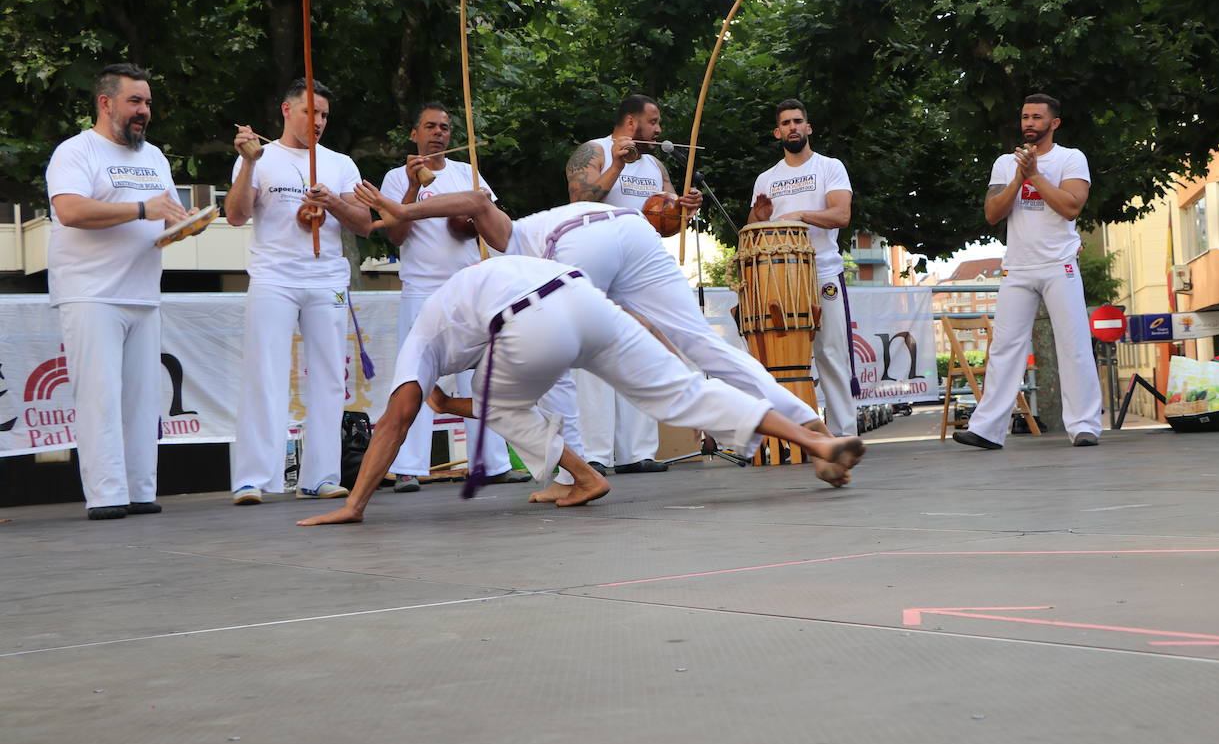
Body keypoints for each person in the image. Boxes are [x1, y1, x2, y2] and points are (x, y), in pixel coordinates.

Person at [351, 187, 859, 489]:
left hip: (582, 249)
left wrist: (399, 210)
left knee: (555, 351)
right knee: (702, 343)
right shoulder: (528, 225)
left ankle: (569, 476)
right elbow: (473, 202)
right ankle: (812, 429)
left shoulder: (515, 242)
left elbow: (472, 200)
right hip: (630, 229)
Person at [297, 256, 864, 526]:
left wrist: (354, 504)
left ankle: (586, 476)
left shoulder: (418, 341)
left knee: (506, 404)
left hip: (530, 321)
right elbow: (483, 399)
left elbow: (397, 419)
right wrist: (453, 404)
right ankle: (818, 444)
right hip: (582, 298)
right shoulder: (464, 296)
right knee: (685, 393)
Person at [45, 63, 190, 520]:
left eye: (147, 102)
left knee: (144, 401)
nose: (144, 111)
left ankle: (141, 491)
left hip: (144, 293)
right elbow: (68, 209)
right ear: (106, 103)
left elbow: (169, 217)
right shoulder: (76, 151)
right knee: (100, 398)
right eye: (135, 102)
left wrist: (185, 226)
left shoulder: (155, 156)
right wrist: (141, 207)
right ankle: (107, 496)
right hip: (91, 293)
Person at [225, 78, 374, 504]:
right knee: (264, 372)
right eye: (311, 112)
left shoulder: (340, 163)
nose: (320, 121)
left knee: (329, 377)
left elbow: (363, 223)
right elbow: (235, 216)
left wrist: (334, 202)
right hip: (274, 277)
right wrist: (249, 164)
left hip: (327, 279)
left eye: (325, 114)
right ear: (287, 111)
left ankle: (321, 474)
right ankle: (253, 478)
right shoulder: (258, 156)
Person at [378, 101, 530, 491]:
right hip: (422, 290)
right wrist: (413, 187)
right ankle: (409, 468)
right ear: (415, 134)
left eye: (444, 127)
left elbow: (494, 223)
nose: (438, 133)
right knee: (416, 376)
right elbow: (395, 235)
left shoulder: (468, 173)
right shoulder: (396, 178)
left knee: (480, 378)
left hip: (468, 290)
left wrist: (470, 219)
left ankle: (492, 463)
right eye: (429, 126)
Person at [953, 94, 1102, 449]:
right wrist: (1019, 178)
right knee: (1004, 347)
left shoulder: (1070, 158)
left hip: (1058, 265)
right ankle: (987, 429)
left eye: (1037, 117)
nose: (1029, 123)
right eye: (1024, 117)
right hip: (1017, 267)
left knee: (1074, 345)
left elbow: (1071, 207)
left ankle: (1084, 426)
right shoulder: (1006, 163)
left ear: (1054, 123)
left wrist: (1036, 175)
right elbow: (992, 214)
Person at [565, 94, 702, 475]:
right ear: (630, 122)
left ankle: (635, 451)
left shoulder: (656, 164)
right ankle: (593, 452)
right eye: (653, 122)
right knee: (593, 357)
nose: (659, 130)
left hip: (640, 271)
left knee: (638, 353)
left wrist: (686, 204)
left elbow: (668, 210)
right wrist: (617, 167)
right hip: (595, 264)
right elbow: (579, 198)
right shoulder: (592, 151)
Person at [747, 99, 858, 436]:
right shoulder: (766, 178)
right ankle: (793, 436)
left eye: (798, 121)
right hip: (780, 278)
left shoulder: (830, 167)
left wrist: (800, 215)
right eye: (786, 123)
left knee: (832, 354)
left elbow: (841, 215)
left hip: (823, 272)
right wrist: (761, 217)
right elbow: (752, 229)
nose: (792, 127)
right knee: (783, 359)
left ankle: (843, 435)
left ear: (808, 128)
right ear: (777, 132)